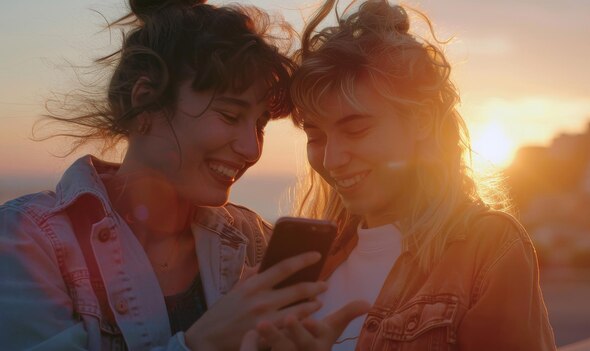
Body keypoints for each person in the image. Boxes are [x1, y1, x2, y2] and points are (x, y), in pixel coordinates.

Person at [0, 0, 349, 350]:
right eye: (229, 116)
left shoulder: (253, 243)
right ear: (147, 101)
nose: (252, 149)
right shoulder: (29, 240)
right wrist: (202, 343)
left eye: (260, 125)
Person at [247, 0, 558, 350]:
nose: (332, 160)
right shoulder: (308, 264)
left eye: (356, 131)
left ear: (422, 121)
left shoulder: (487, 248)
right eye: (315, 136)